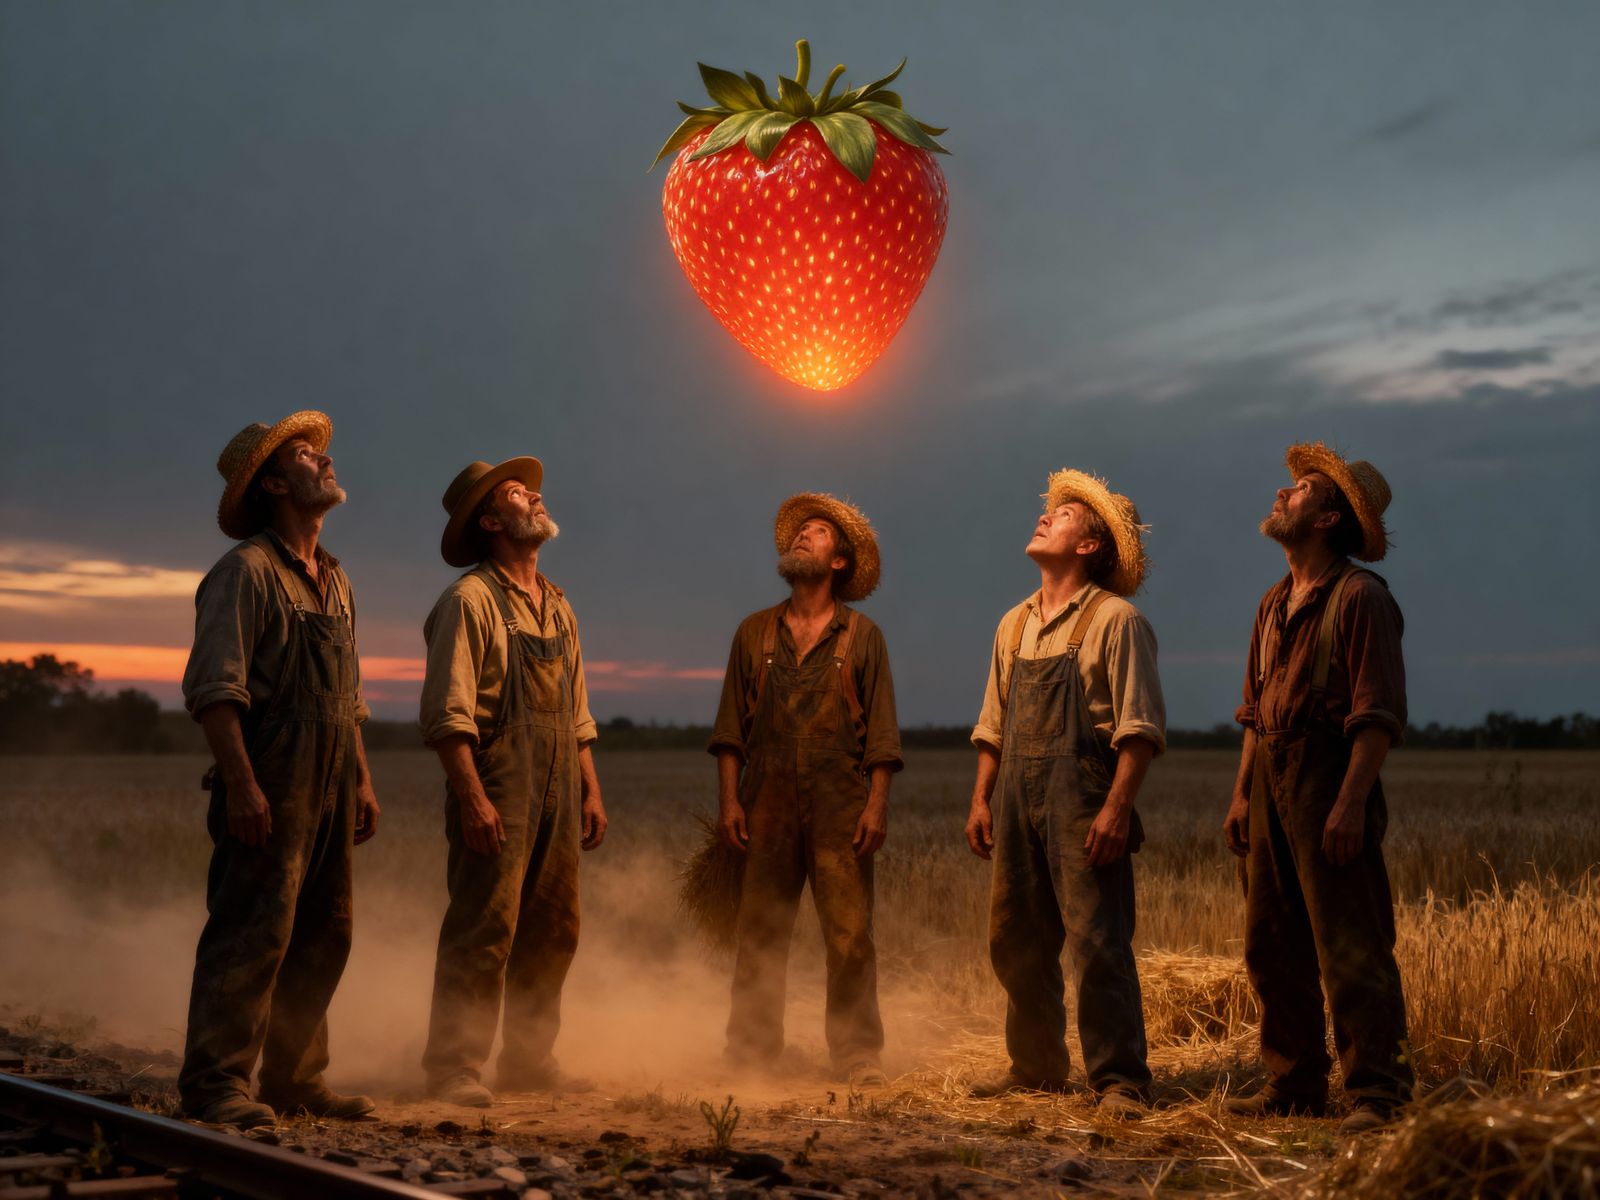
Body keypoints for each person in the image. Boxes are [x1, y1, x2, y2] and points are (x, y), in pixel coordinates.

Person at [178, 410, 380, 1129]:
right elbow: (214, 691)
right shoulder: (245, 573)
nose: (324, 461)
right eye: (304, 455)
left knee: (326, 931)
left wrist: (359, 777)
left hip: (328, 779)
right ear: (271, 484)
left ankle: (295, 1078)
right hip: (270, 777)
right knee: (252, 930)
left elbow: (348, 699)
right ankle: (216, 1084)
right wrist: (241, 784)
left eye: (320, 453)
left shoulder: (335, 579)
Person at [1223, 443, 1413, 1135]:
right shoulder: (1273, 604)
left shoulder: (1361, 599)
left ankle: (1379, 1093)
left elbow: (1378, 716)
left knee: (1351, 942)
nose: (1283, 494)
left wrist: (1350, 804)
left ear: (1329, 519)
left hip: (1331, 777)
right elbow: (1254, 712)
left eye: (1301, 489)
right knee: (1271, 942)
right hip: (1273, 778)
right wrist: (1243, 795)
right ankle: (1294, 1086)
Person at [964, 470, 1165, 1119]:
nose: (1048, 516)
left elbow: (1139, 731)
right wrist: (980, 798)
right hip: (1016, 799)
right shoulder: (1010, 625)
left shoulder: (1116, 621)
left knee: (1097, 939)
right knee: (1014, 939)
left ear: (1091, 546)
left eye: (1068, 513)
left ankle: (1120, 1083)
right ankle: (1037, 1070)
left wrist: (1116, 809)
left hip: (1083, 797)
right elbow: (993, 726)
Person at [420, 457, 606, 1108]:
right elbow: (448, 714)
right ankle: (453, 1067)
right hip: (499, 778)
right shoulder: (468, 601)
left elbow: (578, 713)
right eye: (515, 493)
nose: (535, 495)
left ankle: (529, 1061)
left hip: (559, 778)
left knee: (555, 927)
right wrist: (472, 797)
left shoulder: (557, 604)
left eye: (532, 489)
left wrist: (589, 787)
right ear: (492, 522)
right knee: (484, 927)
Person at [709, 494, 902, 1089]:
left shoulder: (863, 636)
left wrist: (875, 806)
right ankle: (750, 1050)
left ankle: (856, 1054)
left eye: (817, 534)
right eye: (800, 533)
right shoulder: (753, 633)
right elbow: (729, 733)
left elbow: (883, 738)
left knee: (848, 935)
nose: (802, 539)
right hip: (763, 800)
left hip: (840, 805)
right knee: (760, 931)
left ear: (839, 562)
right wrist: (729, 802)